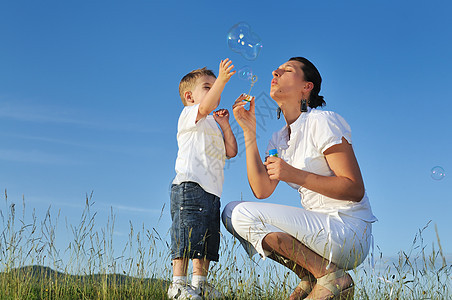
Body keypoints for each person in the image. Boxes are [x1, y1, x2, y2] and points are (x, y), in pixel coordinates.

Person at [222, 57, 377, 300]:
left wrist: (294, 175)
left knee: (242, 213)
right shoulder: (279, 139)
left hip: (346, 230)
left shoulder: (322, 121)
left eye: (287, 70)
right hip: (318, 233)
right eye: (277, 69)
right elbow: (262, 190)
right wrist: (248, 131)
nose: (275, 71)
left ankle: (331, 277)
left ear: (307, 87)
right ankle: (312, 275)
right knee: (232, 213)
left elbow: (354, 188)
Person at [168, 58, 238, 300]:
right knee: (187, 235)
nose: (215, 89)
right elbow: (205, 107)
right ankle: (178, 284)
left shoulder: (213, 124)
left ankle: (200, 285)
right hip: (190, 185)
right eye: (208, 87)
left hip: (212, 192)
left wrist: (226, 124)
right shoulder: (189, 114)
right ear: (189, 97)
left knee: (205, 240)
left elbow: (231, 151)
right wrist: (222, 79)